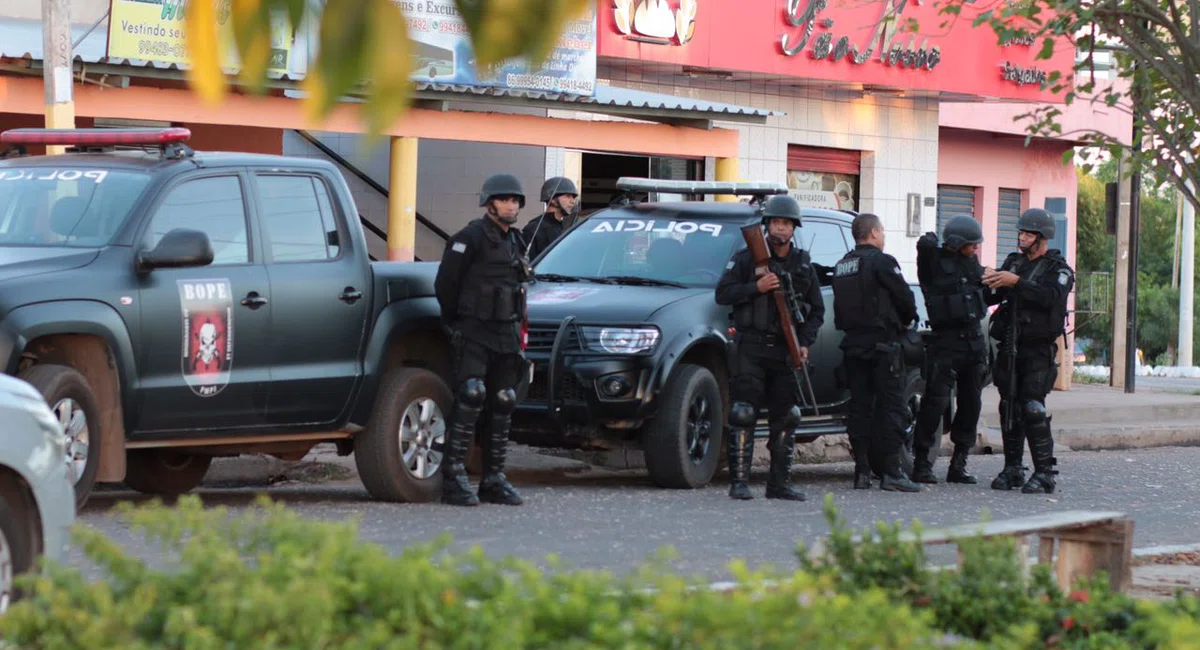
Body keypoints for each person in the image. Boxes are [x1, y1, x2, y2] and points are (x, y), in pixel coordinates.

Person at [715, 195, 824, 501]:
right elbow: (722, 294)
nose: (780, 228)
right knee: (743, 412)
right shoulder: (747, 258)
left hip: (784, 350)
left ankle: (778, 484)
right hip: (750, 346)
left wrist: (804, 342)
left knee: (787, 415)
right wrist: (756, 288)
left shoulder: (803, 264)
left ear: (793, 228)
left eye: (786, 223)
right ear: (767, 225)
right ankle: (739, 483)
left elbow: (816, 310)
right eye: (776, 222)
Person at [434, 173, 533, 507]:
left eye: (515, 200)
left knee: (504, 399)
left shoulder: (515, 241)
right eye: (505, 199)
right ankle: (453, 477)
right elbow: (445, 285)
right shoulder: (469, 238)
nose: (511, 205)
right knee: (471, 395)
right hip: (475, 331)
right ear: (489, 203)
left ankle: (494, 479)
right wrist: (457, 324)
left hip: (506, 333)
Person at [982, 207, 1074, 494]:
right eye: (1020, 232)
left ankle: (1044, 473)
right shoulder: (1014, 262)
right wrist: (987, 279)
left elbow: (1050, 297)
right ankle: (1013, 468)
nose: (1022, 237)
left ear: (1042, 237)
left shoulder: (1058, 269)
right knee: (1008, 404)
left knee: (1032, 407)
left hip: (1037, 349)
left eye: (1028, 233)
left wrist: (1016, 283)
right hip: (1011, 344)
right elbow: (991, 295)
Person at [831, 213, 922, 492]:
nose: (883, 236)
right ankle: (892, 471)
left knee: (859, 408)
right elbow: (905, 298)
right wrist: (908, 318)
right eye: (881, 231)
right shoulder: (883, 262)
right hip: (882, 346)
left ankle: (861, 472)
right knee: (892, 408)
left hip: (853, 346)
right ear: (872, 233)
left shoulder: (842, 265)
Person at [911, 215, 988, 485]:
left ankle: (959, 463)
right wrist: (937, 243)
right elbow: (925, 246)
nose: (975, 249)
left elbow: (983, 288)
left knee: (971, 403)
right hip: (947, 342)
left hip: (974, 342)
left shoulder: (971, 264)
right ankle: (921, 463)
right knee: (935, 402)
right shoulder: (934, 264)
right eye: (971, 244)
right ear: (957, 243)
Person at [521, 176, 579, 260]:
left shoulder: (569, 227)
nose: (572, 201)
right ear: (552, 199)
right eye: (568, 196)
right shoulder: (534, 228)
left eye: (573, 197)